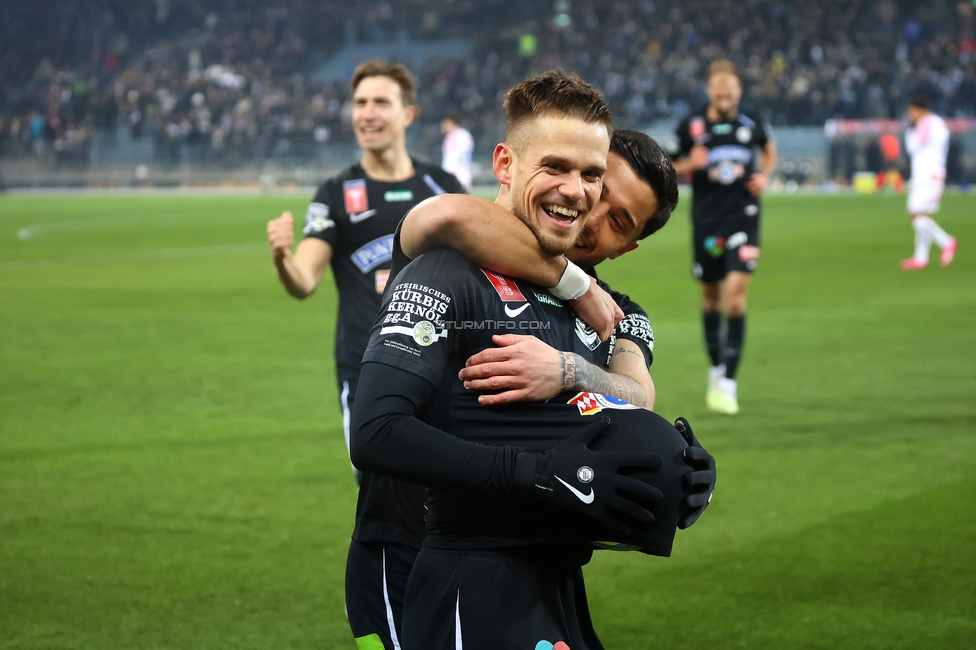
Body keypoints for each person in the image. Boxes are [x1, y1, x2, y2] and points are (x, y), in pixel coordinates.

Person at [351, 71, 715, 649]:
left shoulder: (612, 314)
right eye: (562, 169)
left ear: (632, 244)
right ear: (506, 164)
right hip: (408, 549)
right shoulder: (451, 266)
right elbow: (448, 216)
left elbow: (629, 404)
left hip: (541, 573)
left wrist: (670, 476)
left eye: (615, 213)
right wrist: (571, 281)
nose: (587, 207)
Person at [265, 59, 465, 469]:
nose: (367, 113)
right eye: (359, 103)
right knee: (381, 499)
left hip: (443, 367)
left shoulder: (443, 187)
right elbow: (305, 281)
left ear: (407, 114)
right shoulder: (336, 192)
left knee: (449, 501)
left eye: (380, 102)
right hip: (368, 372)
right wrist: (283, 259)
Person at [398, 129, 678, 410]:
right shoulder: (461, 254)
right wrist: (573, 284)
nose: (591, 217)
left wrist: (569, 370)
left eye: (617, 221)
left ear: (624, 248)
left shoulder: (618, 314)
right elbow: (446, 215)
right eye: (594, 184)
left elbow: (641, 396)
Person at [673, 59, 777, 415]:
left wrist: (764, 176)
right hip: (707, 221)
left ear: (738, 91)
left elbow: (769, 149)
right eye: (718, 88)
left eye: (730, 89)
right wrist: (689, 165)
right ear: (710, 91)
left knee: (735, 297)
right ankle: (716, 368)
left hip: (744, 217)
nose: (725, 94)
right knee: (710, 298)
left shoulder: (751, 122)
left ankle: (729, 381)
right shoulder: (691, 125)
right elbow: (665, 165)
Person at [899, 97, 958, 270]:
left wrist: (910, 131)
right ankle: (921, 257)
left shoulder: (924, 124)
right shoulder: (939, 123)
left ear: (918, 109)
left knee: (914, 215)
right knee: (925, 215)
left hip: (924, 175)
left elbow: (913, 147)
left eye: (911, 112)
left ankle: (946, 241)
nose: (910, 115)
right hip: (936, 172)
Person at [440, 111, 475, 191]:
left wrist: (447, 175)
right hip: (465, 173)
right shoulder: (465, 134)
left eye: (444, 123)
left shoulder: (453, 136)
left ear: (451, 122)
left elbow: (451, 158)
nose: (442, 125)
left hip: (454, 175)